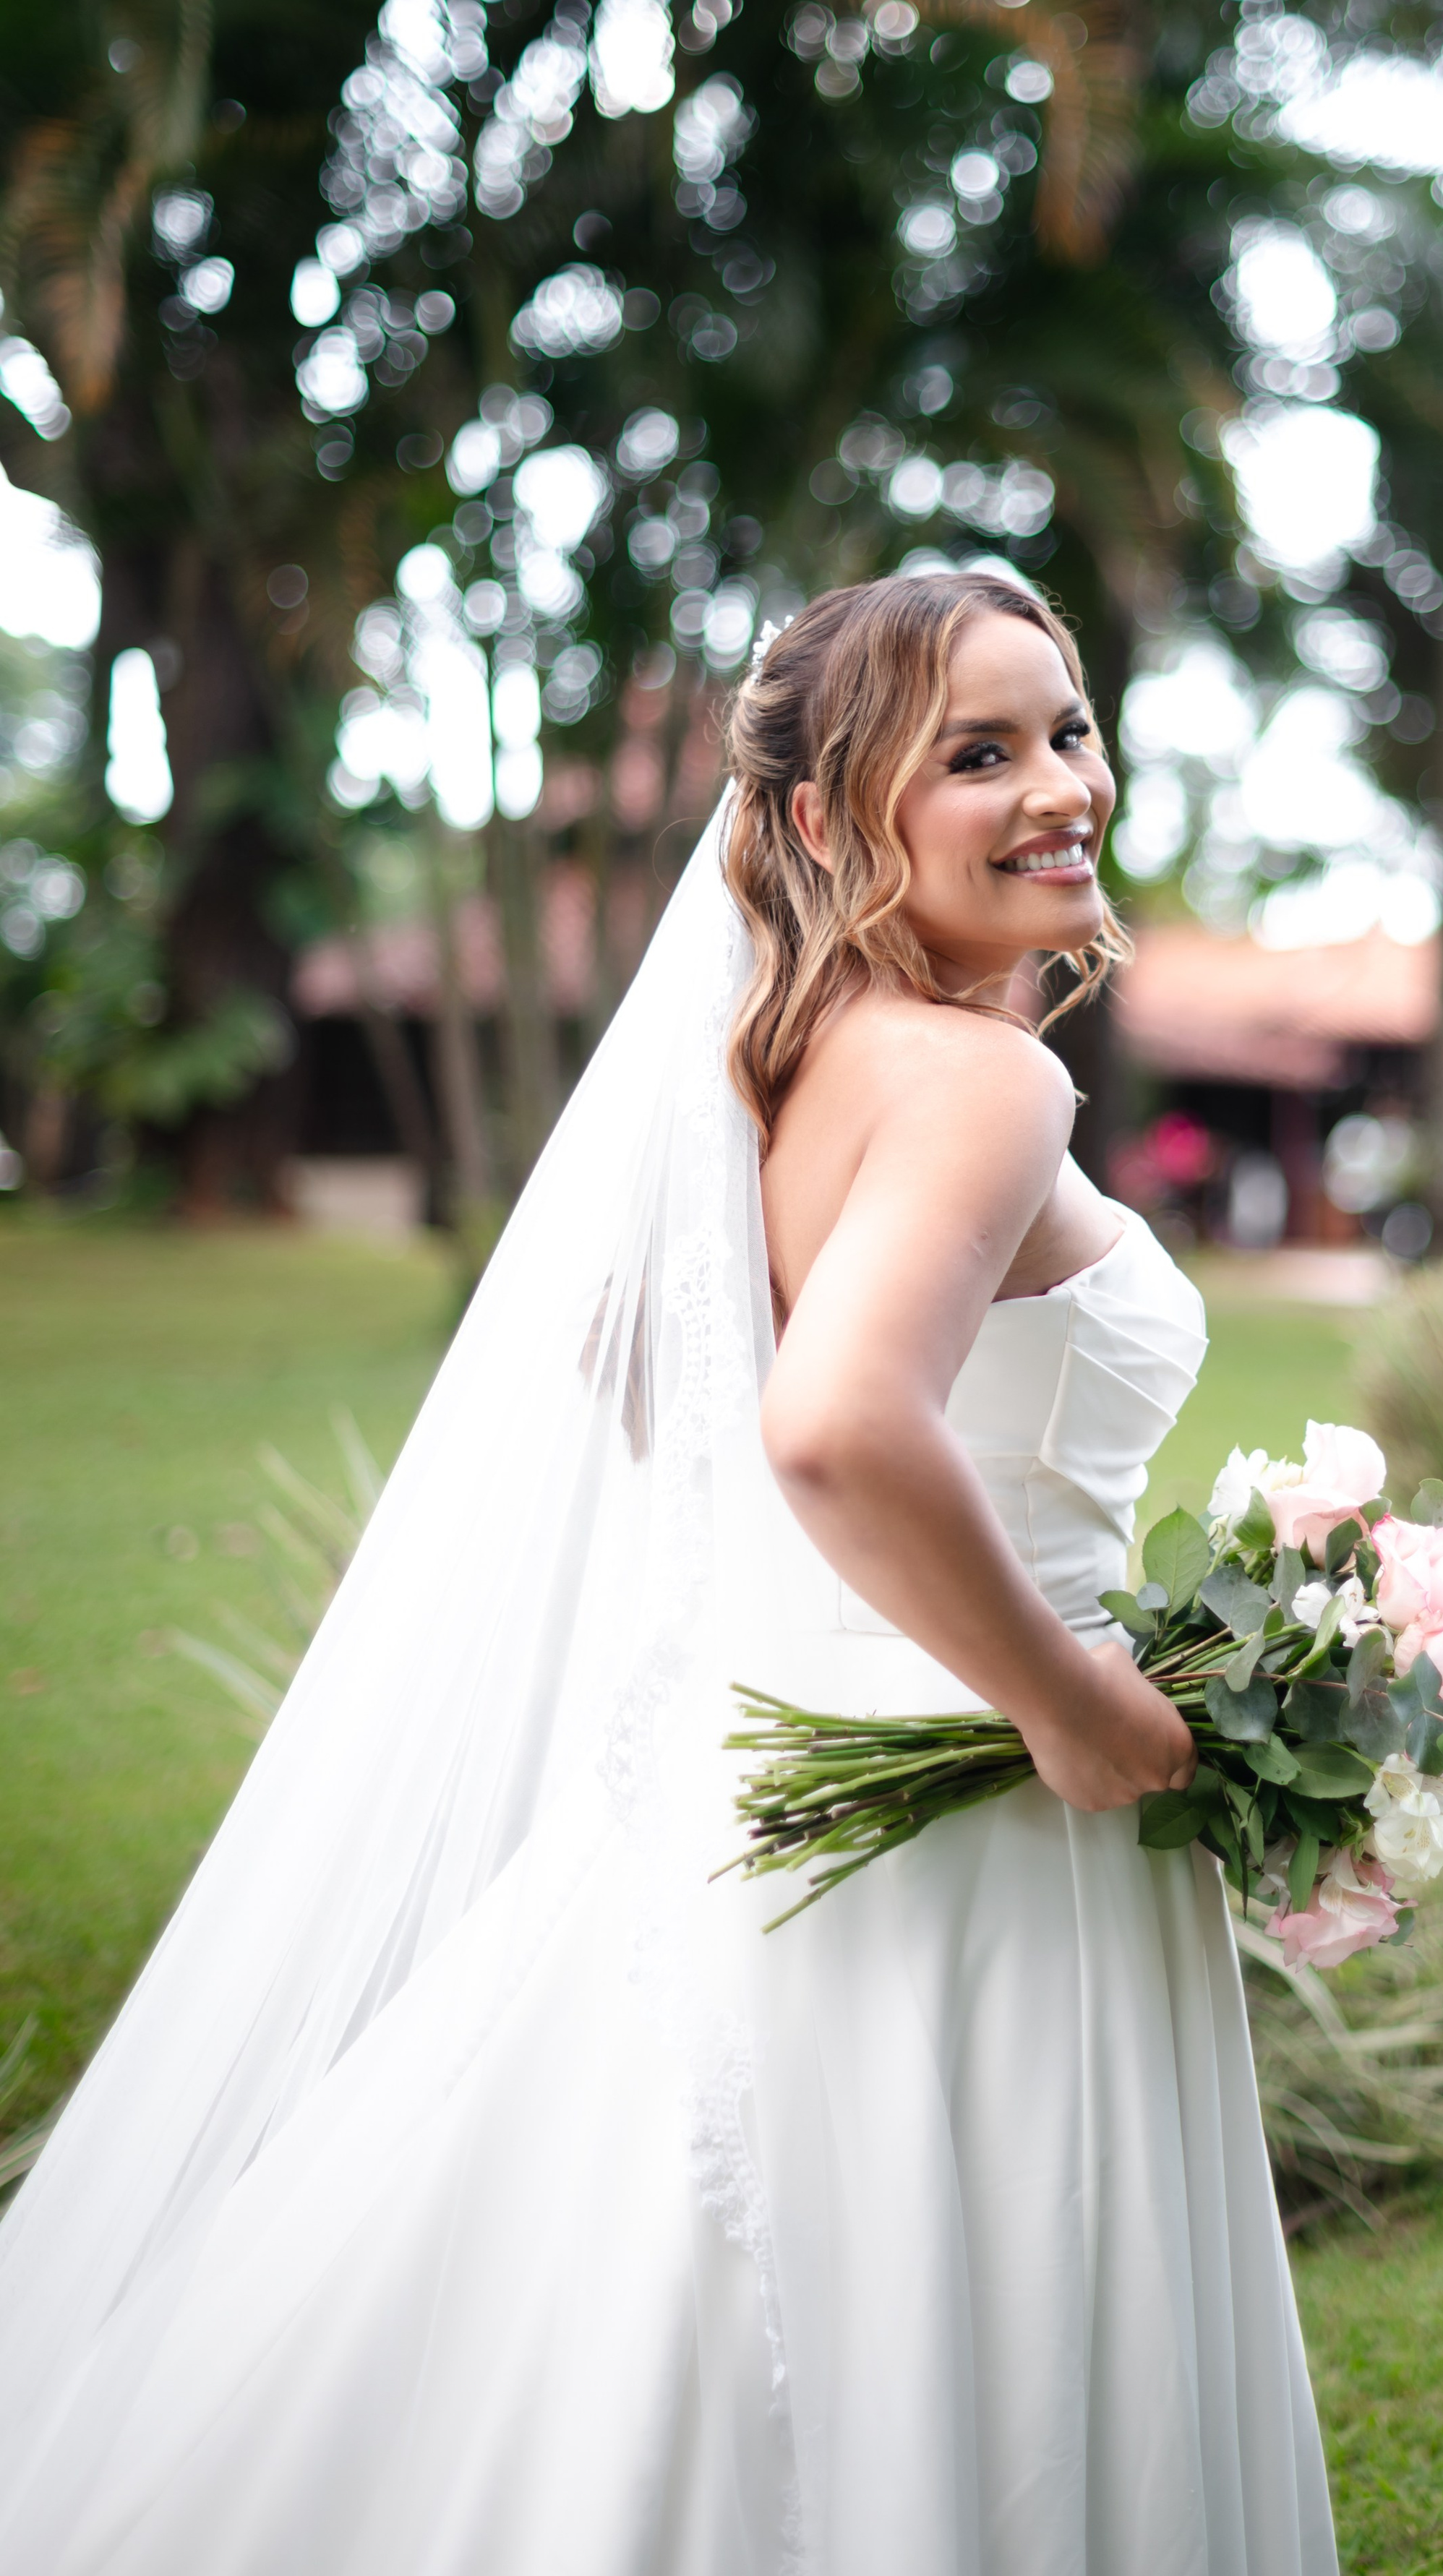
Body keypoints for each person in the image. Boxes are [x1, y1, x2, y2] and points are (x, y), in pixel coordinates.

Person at [0, 569, 1337, 2575]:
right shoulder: (987, 1081)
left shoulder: (770, 1074)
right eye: (978, 753)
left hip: (744, 1801)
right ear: (822, 821)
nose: (1061, 785)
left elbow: (659, 1393)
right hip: (956, 1850)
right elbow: (828, 1427)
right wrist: (1070, 1698)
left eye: (1064, 729)